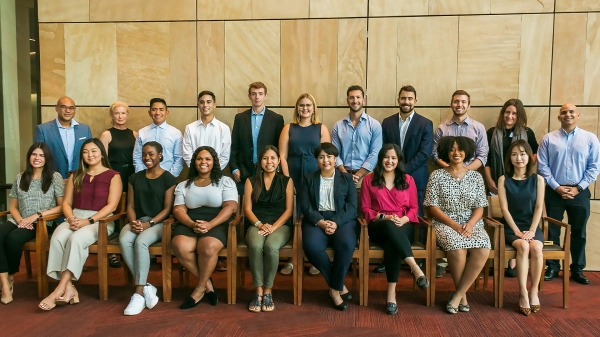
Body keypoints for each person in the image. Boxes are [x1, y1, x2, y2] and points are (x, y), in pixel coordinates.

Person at [39, 138, 122, 310]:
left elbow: (112, 206)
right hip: (75, 217)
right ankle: (69, 288)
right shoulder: (75, 175)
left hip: (100, 221)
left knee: (75, 240)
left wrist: (89, 221)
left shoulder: (113, 175)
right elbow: (67, 204)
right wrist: (70, 219)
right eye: (85, 152)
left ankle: (59, 289)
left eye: (93, 151)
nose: (90, 155)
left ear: (101, 153)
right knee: (57, 238)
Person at [424, 136, 490, 314]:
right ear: (446, 151)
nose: (456, 152)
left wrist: (469, 224)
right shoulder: (436, 175)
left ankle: (458, 294)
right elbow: (431, 207)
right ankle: (463, 297)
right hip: (445, 223)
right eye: (452, 149)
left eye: (460, 149)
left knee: (483, 247)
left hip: (472, 223)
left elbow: (480, 207)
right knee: (457, 247)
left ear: (466, 152)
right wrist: (454, 225)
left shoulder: (476, 177)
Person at [360, 144, 429, 315]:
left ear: (399, 161)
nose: (389, 161)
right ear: (380, 159)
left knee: (393, 242)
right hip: (378, 225)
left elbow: (414, 208)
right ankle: (415, 267)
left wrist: (404, 219)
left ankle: (391, 293)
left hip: (403, 225)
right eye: (386, 157)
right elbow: (365, 209)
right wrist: (385, 217)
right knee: (389, 227)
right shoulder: (369, 179)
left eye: (393, 158)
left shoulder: (408, 180)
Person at [538, 103, 600, 285]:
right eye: (564, 112)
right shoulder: (549, 139)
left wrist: (578, 187)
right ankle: (553, 266)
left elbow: (594, 167)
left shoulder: (590, 139)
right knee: (552, 232)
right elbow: (542, 166)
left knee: (579, 232)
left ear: (578, 115)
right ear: (559, 117)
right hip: (553, 192)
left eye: (571, 112)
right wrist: (557, 187)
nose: (568, 115)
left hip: (579, 193)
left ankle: (577, 269)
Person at [171, 146, 238, 309]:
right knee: (179, 245)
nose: (203, 162)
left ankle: (199, 289)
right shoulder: (183, 184)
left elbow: (231, 207)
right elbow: (178, 209)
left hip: (217, 221)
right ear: (194, 162)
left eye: (208, 159)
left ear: (214, 162)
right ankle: (208, 284)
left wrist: (210, 224)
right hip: (190, 222)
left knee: (207, 247)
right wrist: (191, 224)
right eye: (199, 158)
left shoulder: (225, 181)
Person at [431, 90, 488, 278]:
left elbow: (482, 155)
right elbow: (435, 154)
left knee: (481, 245)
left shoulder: (478, 128)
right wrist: (452, 169)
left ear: (469, 105)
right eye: (456, 101)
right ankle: (461, 292)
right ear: (451, 104)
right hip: (447, 219)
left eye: (463, 102)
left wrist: (465, 171)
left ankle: (462, 287)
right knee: (457, 245)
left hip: (469, 176)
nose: (460, 105)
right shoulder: (442, 128)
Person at [0, 143, 64, 304]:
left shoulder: (54, 176)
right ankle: (5, 283)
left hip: (42, 222)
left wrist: (36, 216)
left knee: (13, 239)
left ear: (46, 158)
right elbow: (13, 206)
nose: (37, 158)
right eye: (34, 154)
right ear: (29, 156)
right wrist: (21, 220)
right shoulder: (20, 177)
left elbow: (61, 206)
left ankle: (10, 276)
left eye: (41, 155)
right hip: (19, 219)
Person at [378, 85, 433, 274]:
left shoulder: (425, 123)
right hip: (387, 180)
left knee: (415, 219)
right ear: (398, 100)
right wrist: (393, 170)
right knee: (389, 218)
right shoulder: (387, 122)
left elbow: (424, 153)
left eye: (410, 98)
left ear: (415, 101)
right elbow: (384, 151)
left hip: (415, 180)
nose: (406, 102)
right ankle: (390, 258)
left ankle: (414, 260)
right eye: (403, 98)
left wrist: (401, 171)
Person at [119, 141, 176, 315]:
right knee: (124, 239)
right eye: (144, 154)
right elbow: (130, 205)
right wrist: (134, 222)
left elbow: (167, 209)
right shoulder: (134, 178)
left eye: (151, 154)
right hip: (138, 220)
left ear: (160, 155)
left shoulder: (169, 179)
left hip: (159, 223)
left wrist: (148, 224)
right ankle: (146, 286)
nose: (147, 158)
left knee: (141, 242)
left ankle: (138, 293)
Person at [483, 98, 538, 277]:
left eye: (514, 113)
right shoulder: (492, 132)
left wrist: (523, 173)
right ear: (503, 113)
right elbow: (488, 159)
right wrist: (490, 179)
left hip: (519, 180)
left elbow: (533, 155)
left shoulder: (527, 133)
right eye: (507, 112)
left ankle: (513, 263)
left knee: (519, 210)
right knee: (498, 215)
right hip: (498, 181)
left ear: (519, 115)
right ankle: (494, 260)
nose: (510, 116)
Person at [299, 142, 357, 311]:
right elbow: (305, 206)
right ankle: (337, 284)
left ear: (335, 158)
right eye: (321, 157)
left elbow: (352, 206)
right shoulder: (308, 178)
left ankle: (334, 290)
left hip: (342, 219)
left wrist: (336, 222)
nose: (326, 161)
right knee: (311, 246)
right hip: (317, 220)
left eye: (329, 157)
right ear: (317, 159)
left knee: (346, 244)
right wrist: (322, 222)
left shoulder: (346, 179)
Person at [278, 93, 330, 276]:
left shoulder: (321, 128)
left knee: (313, 215)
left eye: (308, 105)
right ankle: (292, 259)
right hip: (293, 174)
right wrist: (287, 180)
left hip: (314, 177)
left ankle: (313, 258)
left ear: (314, 108)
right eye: (301, 105)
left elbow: (327, 158)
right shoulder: (288, 128)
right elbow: (282, 157)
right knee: (294, 216)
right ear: (296, 108)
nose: (305, 108)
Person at [244, 146, 294, 312]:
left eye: (273, 158)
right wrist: (259, 224)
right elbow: (247, 210)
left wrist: (273, 227)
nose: (269, 162)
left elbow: (288, 211)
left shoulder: (287, 181)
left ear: (279, 161)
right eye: (265, 158)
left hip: (280, 225)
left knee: (271, 247)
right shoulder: (251, 181)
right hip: (256, 224)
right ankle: (258, 290)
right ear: (260, 161)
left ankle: (268, 291)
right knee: (257, 245)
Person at [497, 140, 545, 315]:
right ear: (509, 157)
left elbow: (539, 207)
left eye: (523, 154)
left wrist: (532, 230)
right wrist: (516, 231)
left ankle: (534, 291)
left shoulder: (538, 180)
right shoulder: (503, 179)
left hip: (531, 226)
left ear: (529, 157)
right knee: (523, 246)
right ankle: (522, 292)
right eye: (515, 154)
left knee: (537, 247)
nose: (519, 158)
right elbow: (504, 209)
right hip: (511, 227)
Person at [100, 101, 138, 269]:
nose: (120, 116)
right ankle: (113, 253)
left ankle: (128, 247)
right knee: (113, 211)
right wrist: (109, 178)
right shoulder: (106, 134)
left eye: (123, 113)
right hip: (113, 176)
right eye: (117, 113)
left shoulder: (135, 134)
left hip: (131, 175)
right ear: (112, 115)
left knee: (129, 210)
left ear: (127, 115)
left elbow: (138, 158)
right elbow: (102, 160)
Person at [230, 82, 284, 195]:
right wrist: (235, 168)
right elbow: (234, 145)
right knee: (244, 204)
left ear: (266, 96)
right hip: (244, 171)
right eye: (254, 94)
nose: (257, 97)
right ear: (249, 96)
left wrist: (277, 168)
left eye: (260, 93)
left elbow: (279, 147)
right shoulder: (240, 118)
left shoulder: (276, 119)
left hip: (269, 170)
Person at [331, 85, 382, 187]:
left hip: (366, 178)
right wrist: (344, 172)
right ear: (347, 100)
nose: (355, 101)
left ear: (364, 100)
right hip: (342, 177)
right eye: (351, 97)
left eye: (358, 97)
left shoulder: (374, 125)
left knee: (364, 203)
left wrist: (358, 175)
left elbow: (375, 153)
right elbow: (334, 153)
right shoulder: (338, 126)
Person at [34, 96, 92, 179]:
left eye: (71, 108)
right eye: (63, 107)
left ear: (74, 110)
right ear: (56, 108)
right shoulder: (43, 129)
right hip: (52, 179)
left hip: (80, 178)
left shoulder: (85, 129)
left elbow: (90, 155)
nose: (67, 111)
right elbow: (38, 157)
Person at [133, 98, 183, 178]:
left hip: (167, 178)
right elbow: (137, 157)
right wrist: (141, 177)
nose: (157, 113)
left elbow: (179, 159)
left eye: (161, 109)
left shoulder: (176, 133)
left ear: (167, 112)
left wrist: (170, 177)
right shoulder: (142, 132)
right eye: (154, 109)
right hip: (145, 178)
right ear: (149, 113)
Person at [183, 91, 231, 170]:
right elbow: (187, 155)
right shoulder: (190, 128)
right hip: (195, 173)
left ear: (214, 105)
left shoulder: (224, 128)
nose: (205, 105)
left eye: (208, 102)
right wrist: (198, 170)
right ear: (198, 105)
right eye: (202, 102)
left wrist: (212, 171)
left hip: (217, 174)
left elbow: (225, 156)